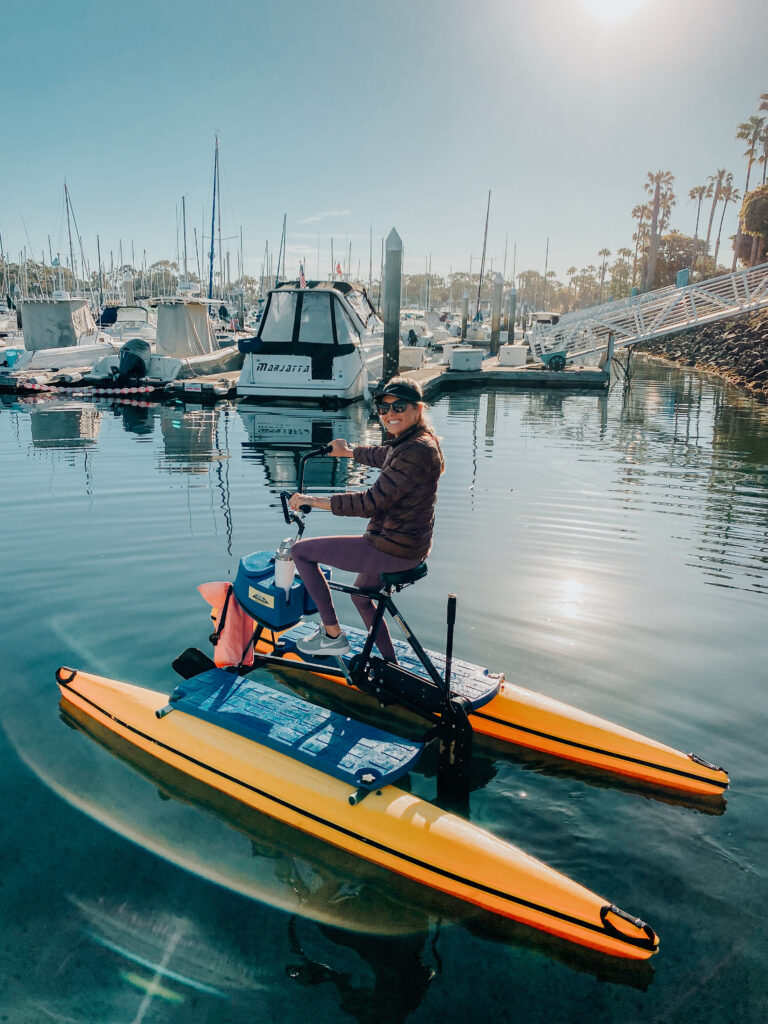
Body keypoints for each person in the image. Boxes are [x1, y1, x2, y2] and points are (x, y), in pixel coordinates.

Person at [288, 377, 444, 660]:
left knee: (301, 552)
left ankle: (332, 635)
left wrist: (312, 501)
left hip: (391, 547)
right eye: (383, 409)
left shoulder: (416, 451)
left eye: (399, 407)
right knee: (361, 595)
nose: (390, 415)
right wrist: (348, 451)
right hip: (403, 545)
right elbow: (383, 454)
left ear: (418, 409)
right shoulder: (413, 442)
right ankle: (390, 665)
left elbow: (371, 503)